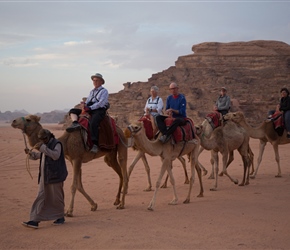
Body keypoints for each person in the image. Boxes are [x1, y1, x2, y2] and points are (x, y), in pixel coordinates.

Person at [22, 129, 68, 229]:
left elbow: (55, 155)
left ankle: (60, 217)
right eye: (41, 139)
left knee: (57, 198)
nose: (43, 140)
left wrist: (43, 148)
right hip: (45, 176)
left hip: (55, 176)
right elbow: (42, 155)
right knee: (41, 196)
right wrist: (31, 154)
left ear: (49, 136)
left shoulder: (57, 144)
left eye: (44, 139)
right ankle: (35, 220)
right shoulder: (44, 144)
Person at [66, 73, 109, 153]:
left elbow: (101, 103)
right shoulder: (92, 92)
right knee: (72, 111)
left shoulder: (104, 91)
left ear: (101, 82)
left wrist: (89, 108)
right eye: (94, 80)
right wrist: (84, 105)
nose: (95, 82)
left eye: (97, 80)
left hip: (99, 110)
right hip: (90, 108)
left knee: (93, 123)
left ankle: (95, 144)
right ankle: (75, 123)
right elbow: (88, 101)